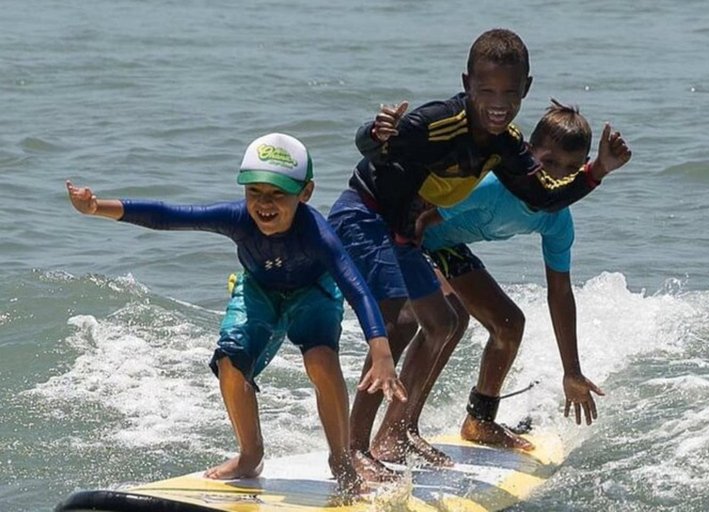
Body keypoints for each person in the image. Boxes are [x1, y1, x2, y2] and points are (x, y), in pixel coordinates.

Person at [328, 29, 611, 481]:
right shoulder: (441, 123)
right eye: (487, 91)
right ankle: (355, 448)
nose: (498, 102)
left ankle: (405, 431)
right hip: (370, 215)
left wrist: (597, 172)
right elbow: (378, 147)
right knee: (403, 321)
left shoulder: (508, 150)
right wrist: (374, 130)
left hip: (406, 235)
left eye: (509, 92)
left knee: (444, 321)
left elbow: (545, 197)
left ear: (526, 90)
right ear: (467, 84)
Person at [65, 133, 407, 496]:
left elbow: (356, 287)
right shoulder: (237, 219)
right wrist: (96, 207)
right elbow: (169, 215)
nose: (264, 204)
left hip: (315, 293)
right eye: (254, 192)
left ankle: (340, 459)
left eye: (278, 194)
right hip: (259, 290)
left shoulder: (318, 235)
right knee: (230, 362)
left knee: (321, 362)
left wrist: (381, 352)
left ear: (305, 193)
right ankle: (250, 455)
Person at [415, 100, 632, 449]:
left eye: (571, 168)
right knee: (450, 318)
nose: (558, 175)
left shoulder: (557, 220)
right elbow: (421, 217)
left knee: (508, 323)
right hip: (411, 239)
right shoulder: (492, 186)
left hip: (446, 247)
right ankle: (403, 428)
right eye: (549, 162)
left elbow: (559, 292)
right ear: (529, 153)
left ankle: (479, 421)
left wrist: (571, 370)